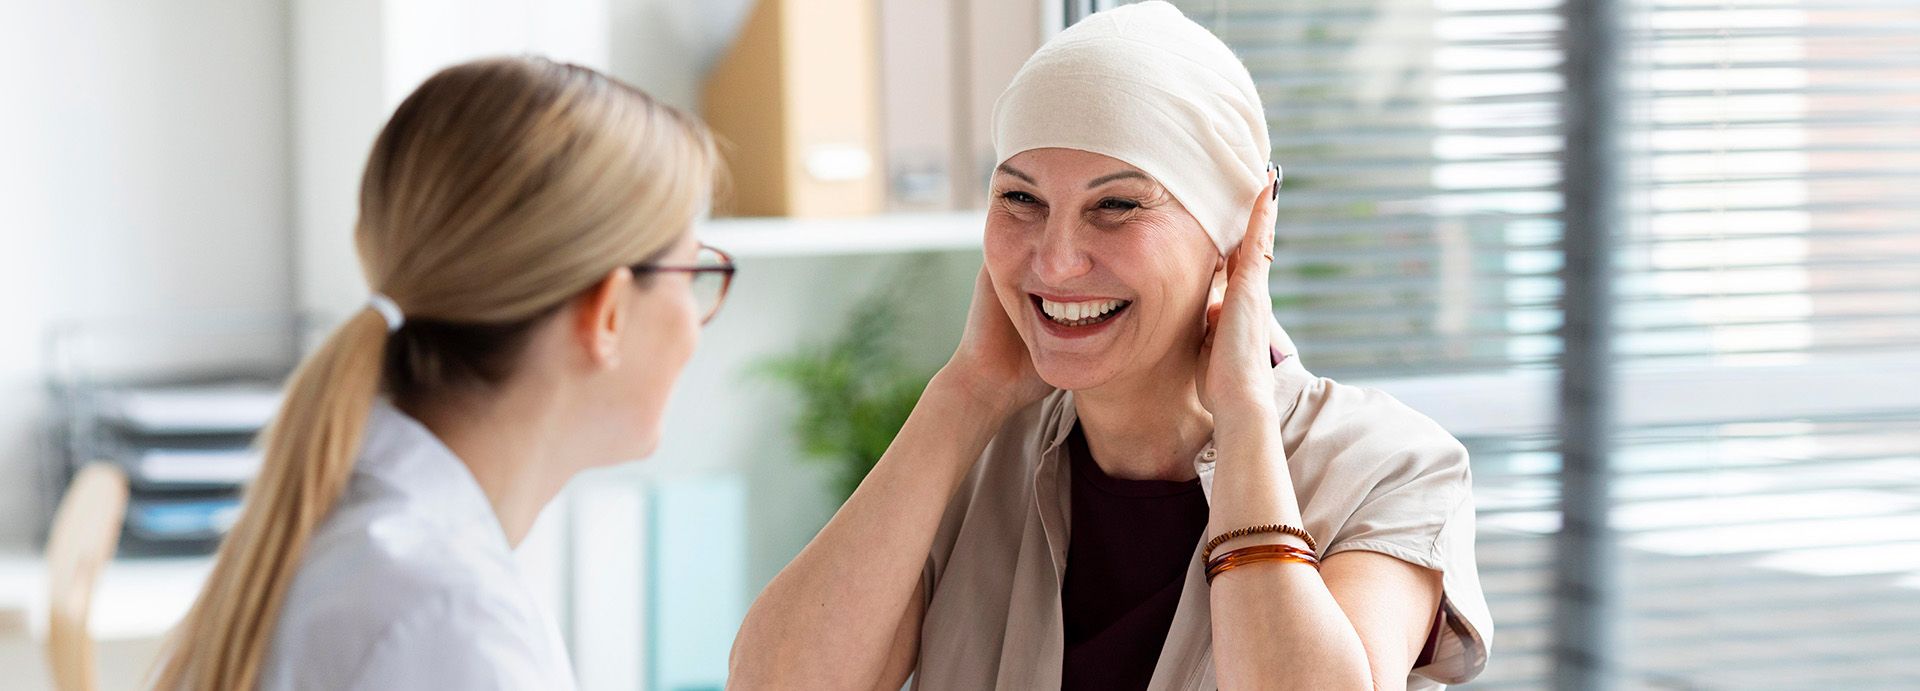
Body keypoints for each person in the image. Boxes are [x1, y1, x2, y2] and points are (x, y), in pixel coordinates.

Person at [730, 3, 1491, 689]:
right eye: (1020, 198)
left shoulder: (1385, 467)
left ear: (1235, 238)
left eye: (1118, 205)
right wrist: (964, 394)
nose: (1056, 259)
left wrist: (1245, 416)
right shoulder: (976, 454)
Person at [151, 56, 732, 690]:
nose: (694, 325)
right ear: (609, 314)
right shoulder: (448, 619)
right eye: (692, 273)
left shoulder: (382, 543)